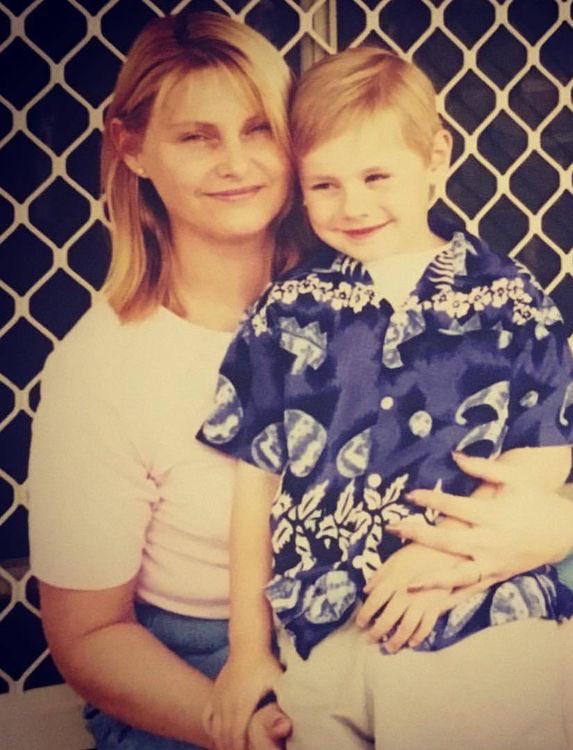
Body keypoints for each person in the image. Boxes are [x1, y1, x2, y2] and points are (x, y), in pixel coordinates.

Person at [198, 46, 573, 750]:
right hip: (321, 626)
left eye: (375, 176)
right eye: (325, 184)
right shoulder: (287, 311)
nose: (353, 204)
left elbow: (544, 452)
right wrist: (248, 651)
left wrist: (451, 556)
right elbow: (255, 486)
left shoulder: (508, 298)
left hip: (469, 613)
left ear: (436, 157)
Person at [27, 12, 300, 749]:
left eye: (259, 129)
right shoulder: (102, 369)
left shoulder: (354, 305)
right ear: (133, 147)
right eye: (196, 136)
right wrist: (251, 729)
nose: (236, 162)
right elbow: (90, 636)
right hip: (191, 666)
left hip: (363, 630)